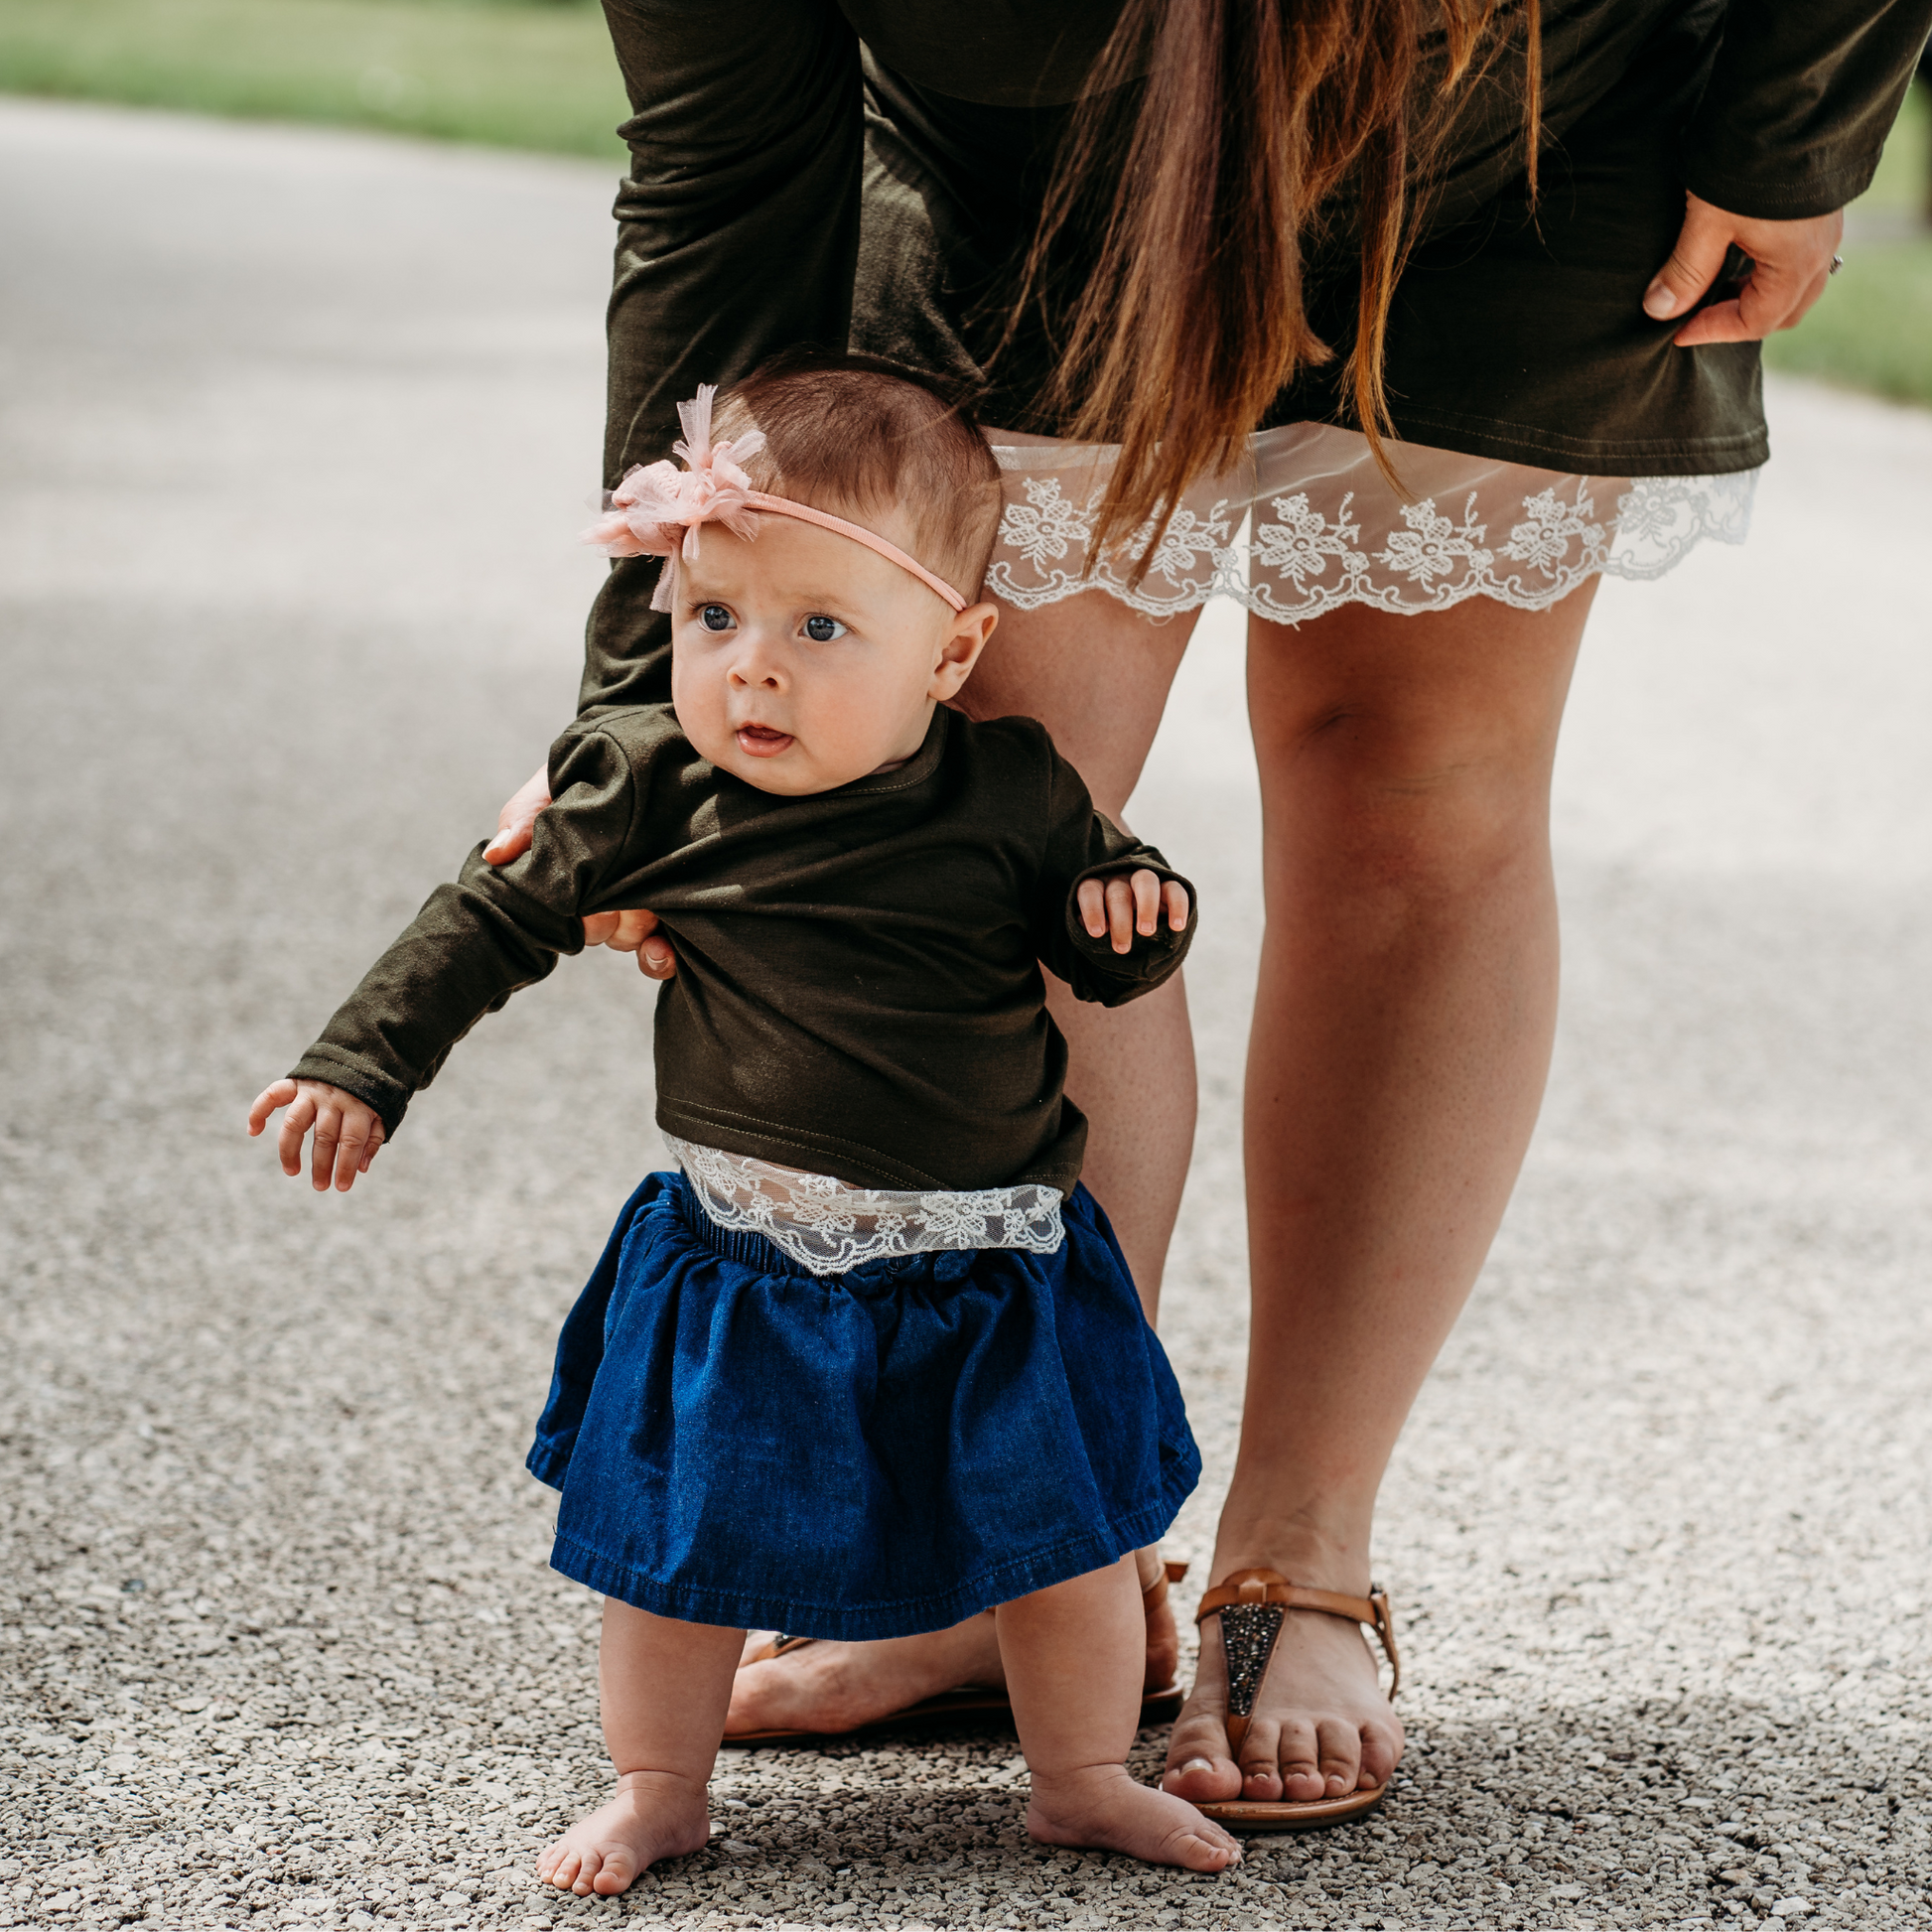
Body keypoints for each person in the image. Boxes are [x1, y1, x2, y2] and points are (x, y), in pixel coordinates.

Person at [482, 0, 1932, 1828]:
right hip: (1036, 169)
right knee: (983, 822)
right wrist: (635, 713)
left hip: (1529, 130)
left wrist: (1794, 121)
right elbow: (725, 165)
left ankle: (1298, 1551)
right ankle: (1021, 1551)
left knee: (1410, 799)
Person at [247, 359, 1242, 1890]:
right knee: (678, 1546)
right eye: (713, 618)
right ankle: (659, 1783)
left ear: (952, 649)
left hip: (989, 1265)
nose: (751, 671)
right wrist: (361, 1063)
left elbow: (1107, 940)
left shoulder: (1011, 789)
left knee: (1060, 1545)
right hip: (745, 1258)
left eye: (818, 628)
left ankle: (1081, 1774)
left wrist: (1135, 913)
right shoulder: (649, 781)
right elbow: (485, 914)